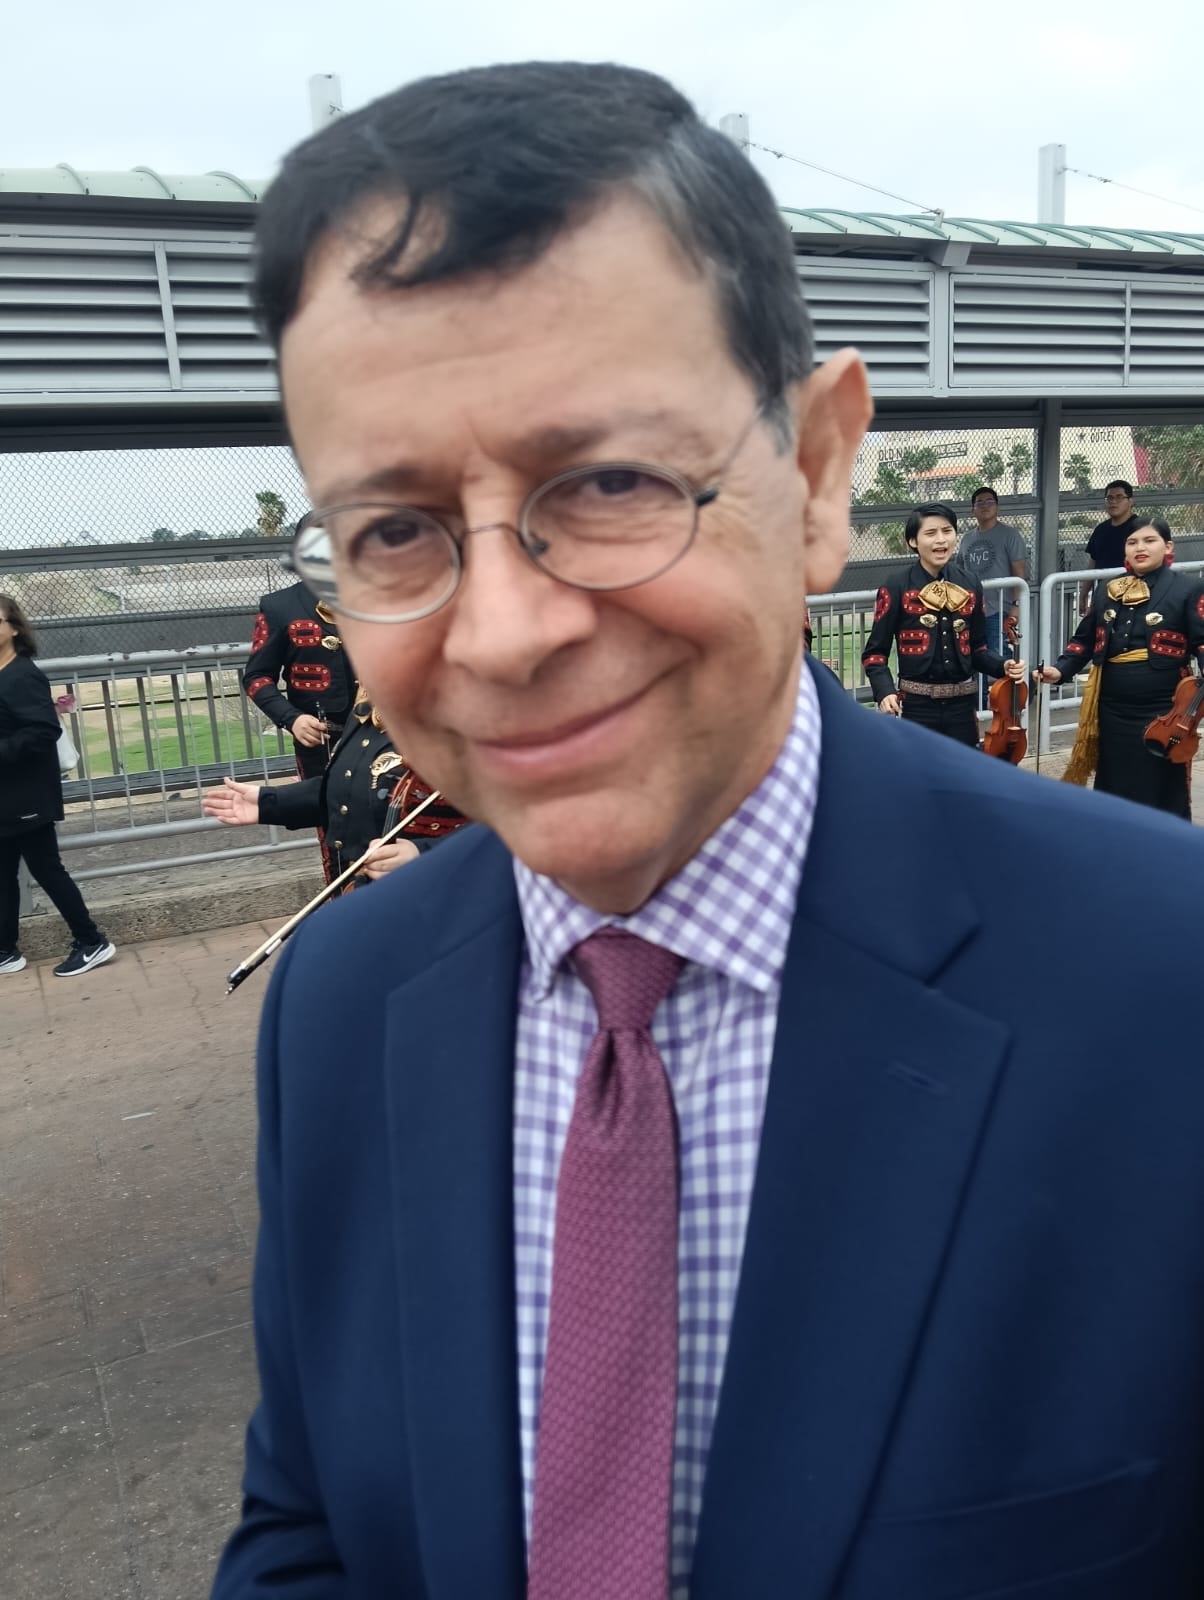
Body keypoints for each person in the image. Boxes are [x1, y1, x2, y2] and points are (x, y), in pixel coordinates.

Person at [213, 63, 1204, 1600]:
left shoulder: (1169, 983)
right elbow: (310, 1528)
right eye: (394, 528)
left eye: (610, 481)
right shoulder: (338, 1005)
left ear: (817, 475)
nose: (505, 634)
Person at [203, 686, 467, 880]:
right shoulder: (369, 709)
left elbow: (490, 830)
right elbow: (347, 789)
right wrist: (267, 801)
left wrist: (423, 853)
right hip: (370, 894)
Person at [1037, 517, 1204, 818]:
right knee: (1114, 784)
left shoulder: (1189, 588)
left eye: (1149, 540)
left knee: (1162, 788)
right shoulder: (1107, 589)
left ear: (1168, 547)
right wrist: (1060, 670)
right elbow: (1084, 640)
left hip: (1164, 711)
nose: (1140, 548)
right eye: (1132, 542)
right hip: (1112, 708)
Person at [0, 594, 116, 977]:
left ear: (14, 629)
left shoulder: (22, 675)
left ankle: (91, 941)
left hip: (27, 795)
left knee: (47, 869)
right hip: (7, 795)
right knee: (3, 872)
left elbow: (43, 730)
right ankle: (5, 950)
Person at [861, 503, 1025, 747]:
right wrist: (885, 692)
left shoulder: (970, 583)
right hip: (916, 707)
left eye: (947, 531)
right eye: (931, 533)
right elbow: (874, 654)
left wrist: (1003, 665)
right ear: (913, 541)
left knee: (964, 768)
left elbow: (978, 649)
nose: (941, 540)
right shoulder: (896, 586)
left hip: (962, 706)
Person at [242, 579, 355, 781]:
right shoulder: (279, 605)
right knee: (319, 799)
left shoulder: (385, 596)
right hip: (319, 739)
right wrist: (292, 719)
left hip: (386, 733)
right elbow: (256, 678)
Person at [954, 485, 1028, 705]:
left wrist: (1016, 605)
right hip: (973, 612)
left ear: (997, 507)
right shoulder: (967, 539)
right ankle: (981, 706)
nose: (985, 506)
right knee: (976, 657)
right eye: (980, 502)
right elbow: (960, 572)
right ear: (972, 509)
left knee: (1000, 658)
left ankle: (1010, 706)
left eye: (989, 501)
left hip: (1000, 609)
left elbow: (1019, 572)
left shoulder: (1010, 535)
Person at [1079, 479, 1139, 612]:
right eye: (1109, 498)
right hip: (1102, 596)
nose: (1113, 501)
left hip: (1132, 597)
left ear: (1130, 501)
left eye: (1119, 497)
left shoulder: (1140, 528)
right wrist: (1084, 593)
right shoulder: (1100, 529)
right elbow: (1093, 562)